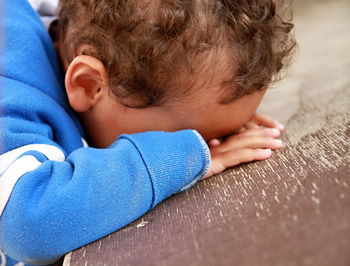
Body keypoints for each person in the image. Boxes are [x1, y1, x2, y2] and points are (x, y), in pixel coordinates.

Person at [0, 0, 296, 265]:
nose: (213, 146)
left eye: (219, 136)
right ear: (90, 85)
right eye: (194, 134)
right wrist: (178, 157)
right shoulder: (9, 81)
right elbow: (29, 222)